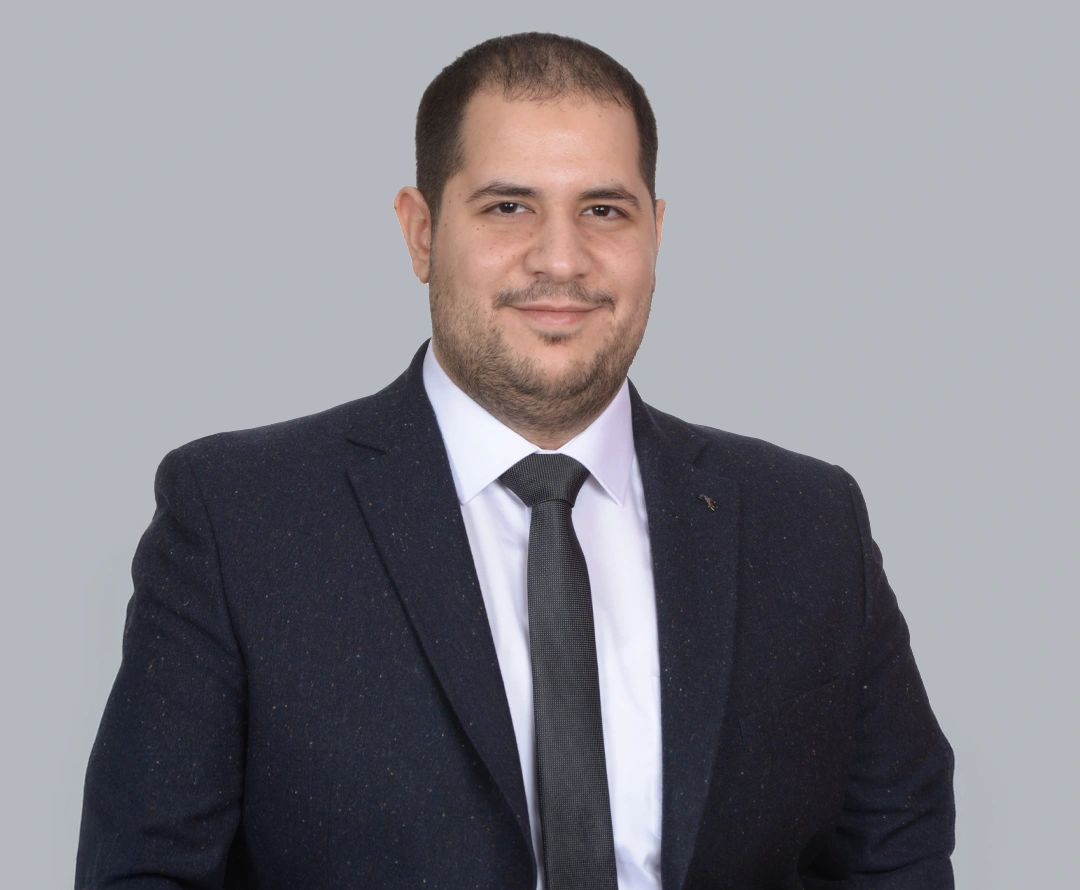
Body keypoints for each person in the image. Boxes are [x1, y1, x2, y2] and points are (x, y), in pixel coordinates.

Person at [76, 32, 955, 890]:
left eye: (603, 210)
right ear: (421, 233)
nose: (560, 259)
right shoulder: (241, 519)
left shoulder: (808, 523)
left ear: (656, 233)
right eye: (508, 207)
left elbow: (898, 858)